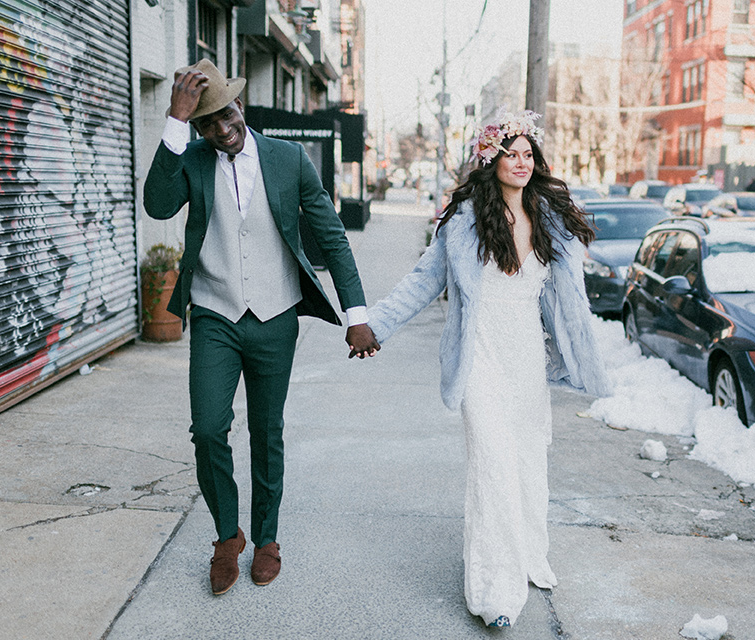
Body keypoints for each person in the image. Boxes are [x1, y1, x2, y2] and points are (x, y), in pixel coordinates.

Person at [365, 108, 611, 628]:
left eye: (528, 155)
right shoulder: (462, 223)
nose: (521, 163)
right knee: (493, 467)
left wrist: (583, 354)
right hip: (479, 357)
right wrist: (376, 325)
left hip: (525, 356)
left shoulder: (549, 220)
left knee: (526, 463)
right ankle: (495, 593)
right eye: (510, 154)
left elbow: (571, 301)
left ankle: (525, 556)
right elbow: (421, 281)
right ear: (490, 159)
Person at [142, 59, 379, 596]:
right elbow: (157, 205)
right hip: (214, 315)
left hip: (275, 318)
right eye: (208, 123)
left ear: (240, 105)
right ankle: (229, 537)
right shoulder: (193, 157)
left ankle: (267, 539)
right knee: (208, 429)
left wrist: (356, 314)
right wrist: (175, 123)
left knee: (266, 432)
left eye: (226, 115)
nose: (223, 130)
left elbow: (331, 235)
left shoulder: (287, 158)